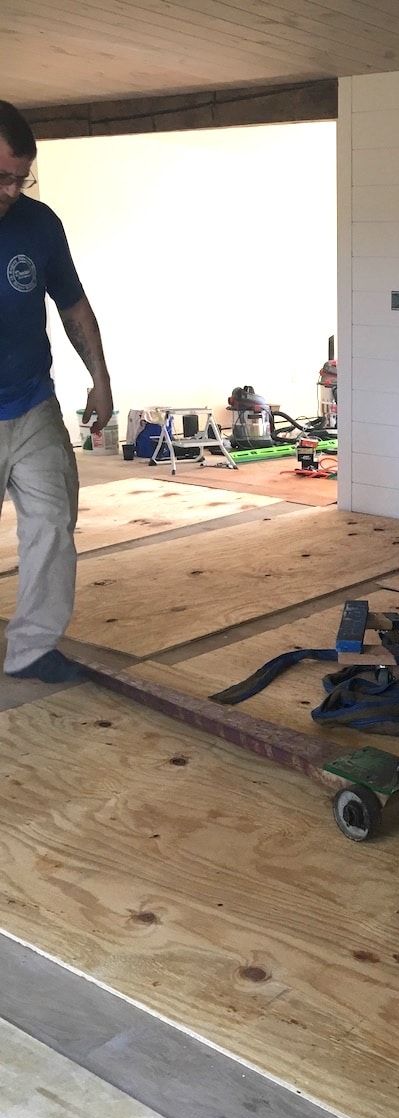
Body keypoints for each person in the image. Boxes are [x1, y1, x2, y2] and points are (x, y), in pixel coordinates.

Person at [0, 99, 113, 683]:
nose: (13, 190)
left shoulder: (39, 224)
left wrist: (100, 377)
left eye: (21, 177)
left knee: (51, 522)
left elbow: (72, 305)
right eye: (1, 177)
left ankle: (33, 648)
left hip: (32, 403)